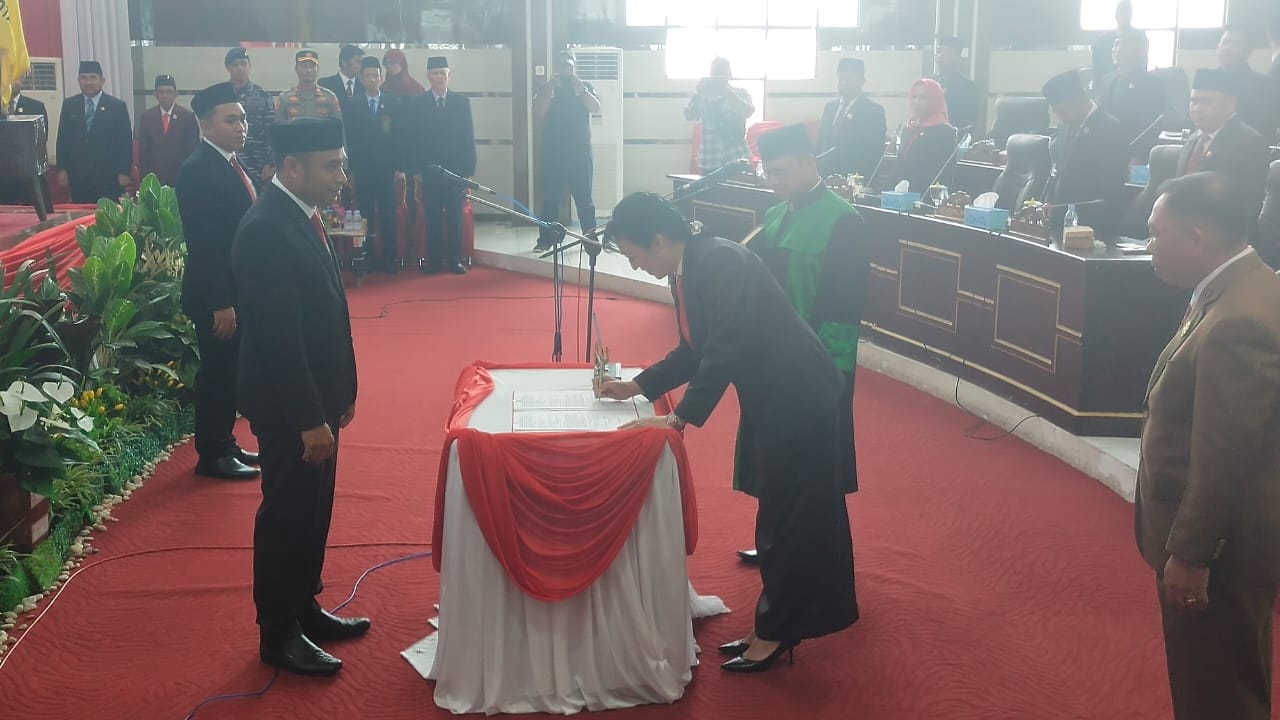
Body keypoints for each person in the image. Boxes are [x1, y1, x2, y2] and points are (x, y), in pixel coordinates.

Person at [595, 192, 858, 673]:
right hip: (778, 397)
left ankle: (777, 631)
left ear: (658, 240)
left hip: (799, 396)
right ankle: (782, 622)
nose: (634, 266)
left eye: (633, 254)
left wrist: (679, 418)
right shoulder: (691, 266)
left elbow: (725, 348)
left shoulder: (718, 263)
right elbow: (694, 350)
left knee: (789, 519)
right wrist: (638, 385)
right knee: (786, 514)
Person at [1138, 171, 1280, 720]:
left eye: (1157, 232)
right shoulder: (1243, 287)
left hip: (1221, 550)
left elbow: (1225, 457)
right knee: (1227, 678)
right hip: (1227, 538)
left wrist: (1192, 554)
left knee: (1216, 692)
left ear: (1197, 237)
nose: (1149, 244)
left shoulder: (1238, 321)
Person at [232, 117, 363, 677]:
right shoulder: (266, 228)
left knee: (314, 509)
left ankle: (305, 606)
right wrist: (310, 417)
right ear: (292, 166)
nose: (341, 177)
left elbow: (330, 312)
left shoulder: (303, 215)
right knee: (287, 514)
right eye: (331, 166)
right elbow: (279, 339)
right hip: (291, 408)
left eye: (342, 164)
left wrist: (344, 390)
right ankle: (279, 631)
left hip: (319, 399)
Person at [736, 124, 867, 566]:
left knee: (814, 464)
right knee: (771, 455)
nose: (774, 182)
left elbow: (845, 306)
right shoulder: (776, 215)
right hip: (770, 359)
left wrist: (827, 371)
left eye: (782, 172)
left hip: (815, 364)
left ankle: (811, 554)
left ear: (810, 162)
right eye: (768, 174)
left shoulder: (843, 221)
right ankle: (775, 539)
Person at [176, 82, 261, 481]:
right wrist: (221, 302)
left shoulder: (228, 162)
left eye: (243, 119)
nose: (241, 126)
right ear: (206, 125)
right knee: (218, 373)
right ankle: (212, 454)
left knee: (229, 372)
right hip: (217, 296)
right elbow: (206, 244)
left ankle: (225, 442)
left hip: (235, 290)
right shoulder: (198, 169)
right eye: (231, 120)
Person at [407, 55, 475, 275]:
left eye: (442, 73)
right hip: (429, 170)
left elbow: (468, 138)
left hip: (455, 171)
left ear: (449, 75)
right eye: (434, 73)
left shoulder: (461, 102)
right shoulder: (418, 103)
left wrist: (468, 172)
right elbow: (413, 140)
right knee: (432, 216)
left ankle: (455, 260)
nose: (439, 77)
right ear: (428, 76)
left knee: (455, 216)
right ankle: (434, 261)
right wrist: (416, 170)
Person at [1041, 69, 1130, 236]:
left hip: (1093, 224)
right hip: (1061, 220)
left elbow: (1111, 187)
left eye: (1064, 112)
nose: (1062, 118)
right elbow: (1058, 171)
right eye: (1058, 113)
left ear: (1081, 101)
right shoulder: (1065, 126)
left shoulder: (1110, 129)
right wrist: (1050, 200)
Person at [1175, 69, 1269, 219]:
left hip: (1220, 229)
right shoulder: (1193, 139)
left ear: (1231, 103)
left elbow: (1245, 205)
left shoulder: (1250, 143)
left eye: (1206, 102)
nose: (1197, 109)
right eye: (1193, 101)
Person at [533, 50, 601, 252]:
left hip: (580, 153)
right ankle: (545, 240)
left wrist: (582, 90)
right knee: (550, 199)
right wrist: (549, 89)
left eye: (569, 67)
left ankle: (590, 240)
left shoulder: (584, 86)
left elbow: (596, 108)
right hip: (553, 154)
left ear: (574, 68)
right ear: (556, 67)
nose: (565, 71)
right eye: (562, 67)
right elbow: (537, 113)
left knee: (585, 200)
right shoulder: (546, 88)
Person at [346, 56, 409, 273]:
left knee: (388, 213)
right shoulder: (353, 104)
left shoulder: (393, 102)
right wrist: (351, 170)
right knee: (365, 215)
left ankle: (390, 258)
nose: (372, 79)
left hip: (386, 169)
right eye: (367, 75)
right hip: (363, 169)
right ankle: (367, 257)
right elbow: (350, 140)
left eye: (375, 75)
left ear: (381, 77)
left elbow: (400, 137)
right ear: (361, 78)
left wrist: (400, 168)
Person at [55, 61, 133, 203]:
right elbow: (62, 139)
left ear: (102, 80)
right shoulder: (69, 105)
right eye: (83, 78)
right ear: (78, 80)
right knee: (81, 214)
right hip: (78, 175)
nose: (88, 82)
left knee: (108, 213)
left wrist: (124, 171)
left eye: (92, 77)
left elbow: (125, 142)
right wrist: (62, 168)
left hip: (109, 175)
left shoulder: (116, 106)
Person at [1097, 31, 1165, 164]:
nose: (1117, 50)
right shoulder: (1106, 80)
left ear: (1140, 50)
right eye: (1115, 45)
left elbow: (1151, 126)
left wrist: (1138, 156)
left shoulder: (1152, 84)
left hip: (1133, 154)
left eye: (1123, 45)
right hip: (1104, 150)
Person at [816, 57, 887, 180]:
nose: (844, 83)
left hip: (854, 179)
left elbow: (875, 153)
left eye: (850, 78)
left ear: (862, 80)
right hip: (826, 177)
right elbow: (822, 141)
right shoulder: (830, 107)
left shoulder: (873, 111)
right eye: (841, 78)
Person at [685, 57, 755, 175]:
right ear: (710, 75)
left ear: (730, 73)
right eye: (715, 71)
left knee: (739, 187)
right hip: (710, 157)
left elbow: (749, 111)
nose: (719, 75)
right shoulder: (702, 96)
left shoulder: (741, 93)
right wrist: (698, 93)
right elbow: (689, 115)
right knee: (712, 188)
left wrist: (732, 97)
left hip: (737, 155)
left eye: (722, 70)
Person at [894, 79, 958, 194]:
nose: (916, 102)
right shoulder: (909, 129)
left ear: (934, 100)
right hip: (902, 195)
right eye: (914, 97)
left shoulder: (944, 131)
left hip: (927, 197)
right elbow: (900, 167)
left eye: (923, 97)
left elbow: (938, 174)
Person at [0, 77, 52, 213]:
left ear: (22, 81)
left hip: (29, 175)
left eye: (15, 79)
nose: (12, 83)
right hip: (3, 176)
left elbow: (41, 141)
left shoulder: (36, 106)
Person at [225, 47, 276, 186]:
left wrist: (270, 163)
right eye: (235, 64)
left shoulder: (263, 96)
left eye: (243, 63)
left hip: (258, 167)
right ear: (228, 68)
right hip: (228, 165)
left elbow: (271, 132)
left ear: (249, 66)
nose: (239, 68)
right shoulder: (221, 97)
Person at [1217, 27, 1277, 144]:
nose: (1227, 48)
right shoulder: (1206, 81)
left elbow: (1265, 130)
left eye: (1235, 44)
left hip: (1246, 149)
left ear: (1248, 51)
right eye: (1225, 42)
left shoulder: (1264, 86)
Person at [138, 75, 199, 187]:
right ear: (155, 94)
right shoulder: (147, 117)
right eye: (161, 92)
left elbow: (192, 149)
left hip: (180, 175)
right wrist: (144, 178)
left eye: (168, 91)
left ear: (176, 94)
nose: (165, 95)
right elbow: (143, 151)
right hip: (155, 176)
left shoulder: (187, 116)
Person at [275, 50, 342, 124]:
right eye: (304, 66)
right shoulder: (284, 98)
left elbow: (338, 127)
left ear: (318, 69)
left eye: (312, 66)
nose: (308, 70)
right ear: (296, 69)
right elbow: (278, 128)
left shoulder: (330, 97)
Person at [933, 36, 979, 135]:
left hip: (954, 136)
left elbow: (970, 122)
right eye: (939, 51)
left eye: (947, 52)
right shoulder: (928, 83)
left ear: (958, 58)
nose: (941, 55)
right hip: (928, 135)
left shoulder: (967, 86)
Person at [1091, 1, 1139, 83]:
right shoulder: (1101, 42)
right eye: (1123, 13)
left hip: (1134, 82)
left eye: (1128, 13)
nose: (1125, 16)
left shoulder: (1139, 39)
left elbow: (1142, 65)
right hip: (1108, 83)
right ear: (1116, 15)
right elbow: (1097, 71)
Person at [319, 44, 366, 113]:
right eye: (357, 62)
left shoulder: (364, 85)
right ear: (344, 63)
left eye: (362, 62)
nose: (361, 66)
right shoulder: (325, 84)